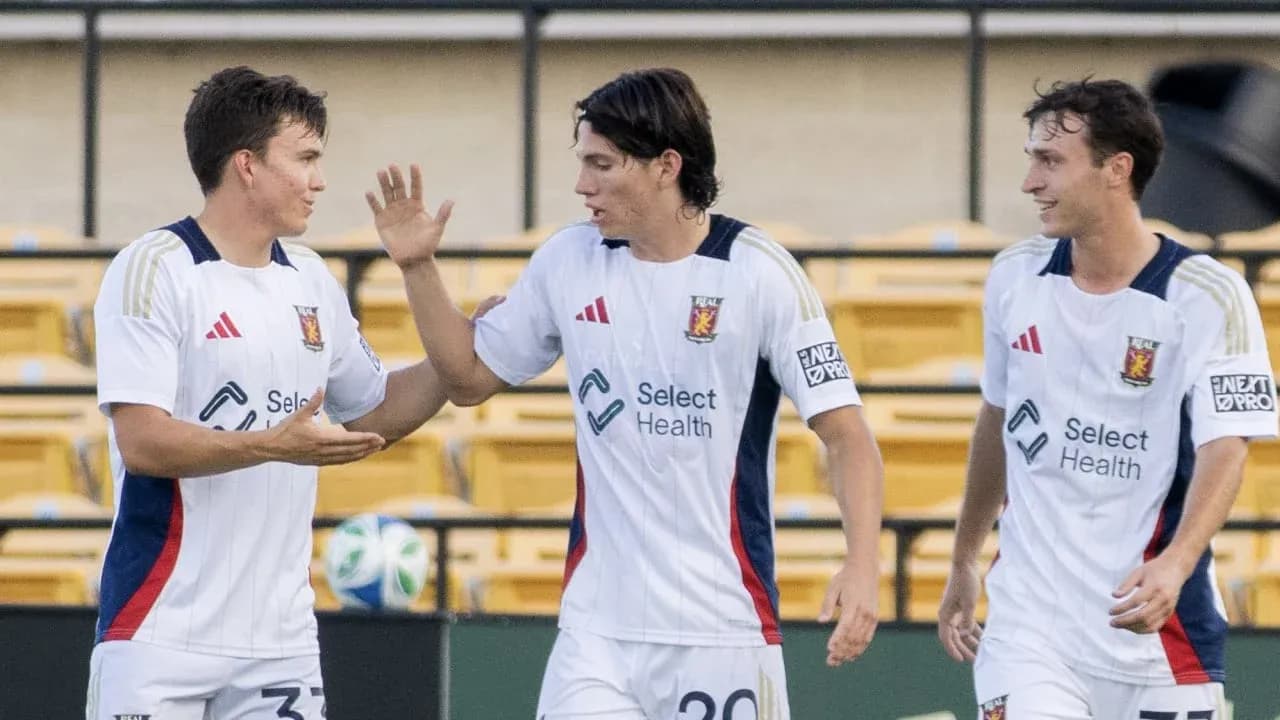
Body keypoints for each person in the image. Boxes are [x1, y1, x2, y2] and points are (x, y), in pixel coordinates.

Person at [366, 67, 884, 719]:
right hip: (597, 636)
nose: (582, 185)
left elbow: (847, 436)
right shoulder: (568, 260)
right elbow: (467, 379)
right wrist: (417, 267)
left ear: (666, 165)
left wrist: (863, 565)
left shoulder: (760, 273)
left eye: (602, 165)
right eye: (582, 163)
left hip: (721, 632)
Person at [86, 66, 453, 719]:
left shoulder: (310, 279)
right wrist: (269, 445)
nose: (320, 180)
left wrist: (467, 349)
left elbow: (374, 411)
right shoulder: (154, 269)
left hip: (279, 646)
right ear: (247, 165)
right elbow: (141, 440)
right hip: (159, 632)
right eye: (306, 158)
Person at [937, 78, 1279, 720]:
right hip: (1029, 631)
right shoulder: (1014, 276)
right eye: (1031, 159)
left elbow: (1226, 447)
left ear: (1116, 169)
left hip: (1157, 640)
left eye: (1050, 161)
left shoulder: (1208, 296)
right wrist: (963, 557)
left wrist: (1176, 564)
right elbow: (998, 418)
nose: (1029, 182)